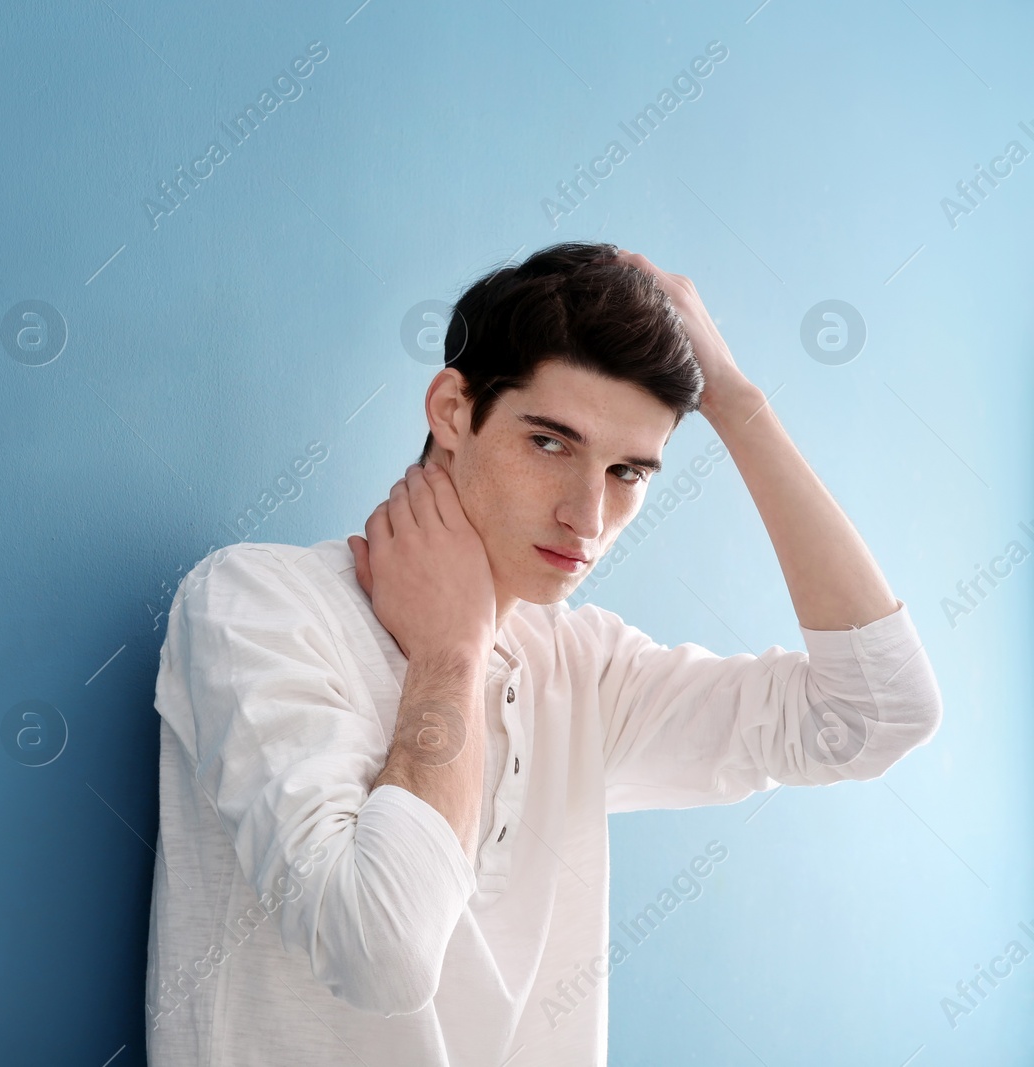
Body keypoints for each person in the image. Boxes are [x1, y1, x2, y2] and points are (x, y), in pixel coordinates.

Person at [143, 241, 944, 1066]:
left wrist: (735, 403)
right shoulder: (257, 605)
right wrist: (449, 654)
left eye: (628, 471)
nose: (589, 517)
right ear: (453, 409)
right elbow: (380, 953)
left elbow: (876, 713)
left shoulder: (583, 669)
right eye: (551, 444)